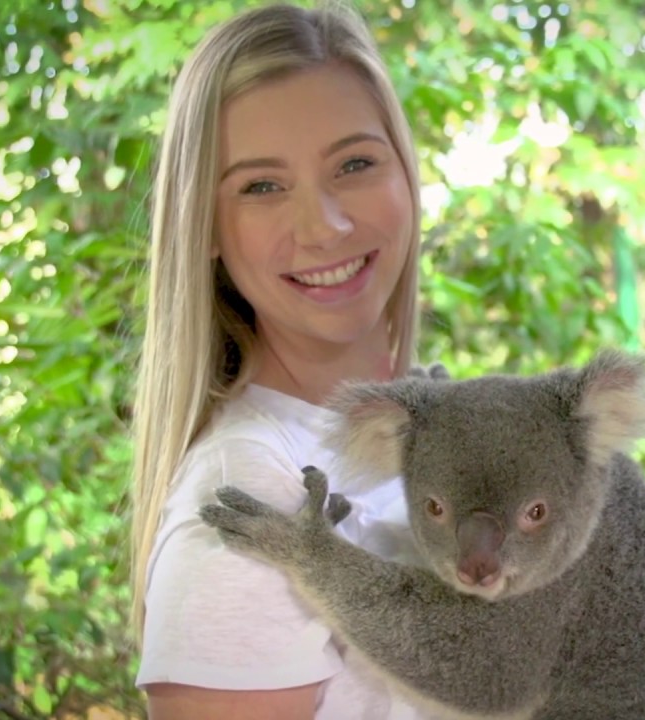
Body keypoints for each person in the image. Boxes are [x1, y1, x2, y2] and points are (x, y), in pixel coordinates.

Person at [128, 2, 431, 717]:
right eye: (262, 186)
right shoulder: (248, 504)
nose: (324, 225)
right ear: (204, 224)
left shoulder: (443, 432)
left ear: (405, 175)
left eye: (354, 164)